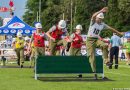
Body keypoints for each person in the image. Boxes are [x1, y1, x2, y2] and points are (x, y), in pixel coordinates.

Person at [86, 7, 123, 79]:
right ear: (96, 18)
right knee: (92, 57)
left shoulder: (102, 24)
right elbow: (93, 16)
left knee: (105, 45)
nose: (99, 20)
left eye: (101, 19)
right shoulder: (93, 22)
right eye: (98, 18)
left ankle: (106, 61)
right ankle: (94, 73)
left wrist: (119, 33)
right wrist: (101, 11)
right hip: (89, 40)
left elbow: (111, 28)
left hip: (96, 39)